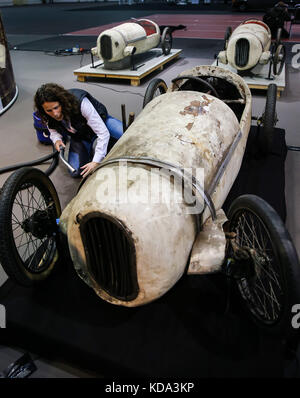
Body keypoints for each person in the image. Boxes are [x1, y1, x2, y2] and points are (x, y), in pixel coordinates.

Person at [34, 83, 123, 178]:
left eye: (56, 107)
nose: (55, 114)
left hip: (102, 122)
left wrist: (96, 161)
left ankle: (110, 143)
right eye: (49, 110)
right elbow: (52, 130)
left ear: (62, 102)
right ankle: (92, 150)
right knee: (75, 171)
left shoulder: (80, 102)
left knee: (130, 135)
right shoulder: (45, 114)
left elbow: (102, 132)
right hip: (81, 134)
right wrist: (57, 139)